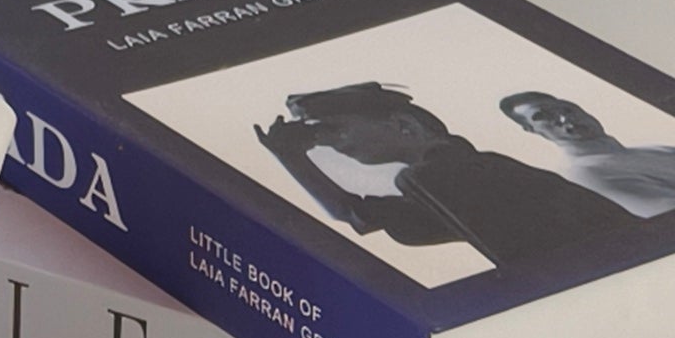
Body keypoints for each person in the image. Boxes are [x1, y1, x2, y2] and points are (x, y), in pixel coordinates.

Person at [258, 82, 638, 268]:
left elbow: (356, 216)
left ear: (405, 125)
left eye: (335, 129)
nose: (332, 144)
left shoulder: (434, 176)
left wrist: (290, 156)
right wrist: (291, 155)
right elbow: (356, 215)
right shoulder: (466, 170)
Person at [498, 91, 675, 217]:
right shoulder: (586, 174)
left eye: (567, 109)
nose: (564, 118)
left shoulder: (656, 150)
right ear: (531, 130)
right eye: (543, 116)